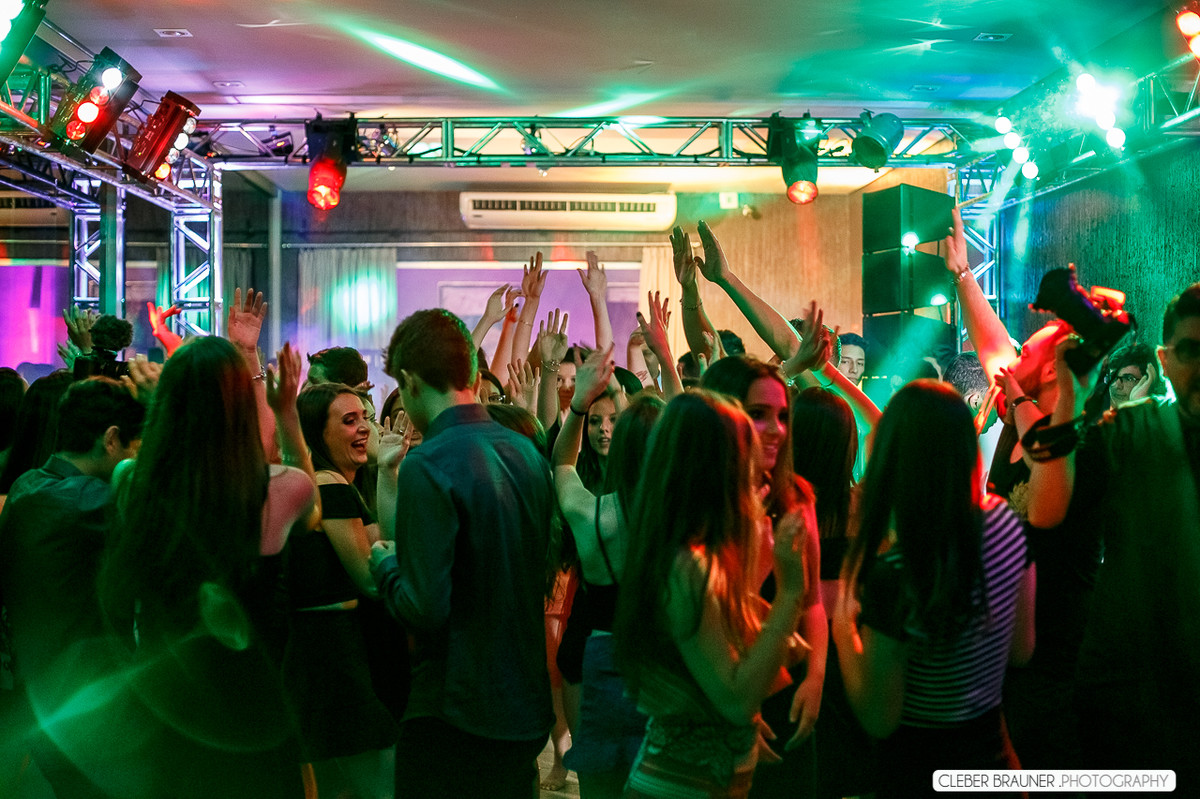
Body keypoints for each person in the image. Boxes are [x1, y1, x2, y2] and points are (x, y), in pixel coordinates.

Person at [99, 335, 317, 798]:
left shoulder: (130, 482)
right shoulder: (285, 491)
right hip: (253, 718)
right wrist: (286, 413)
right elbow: (312, 513)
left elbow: (174, 468)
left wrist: (167, 405)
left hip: (168, 712)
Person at [369, 308, 554, 799]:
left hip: (455, 710)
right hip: (524, 704)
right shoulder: (526, 453)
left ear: (408, 382)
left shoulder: (428, 462)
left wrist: (385, 566)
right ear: (473, 373)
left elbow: (424, 607)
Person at [1024, 283, 1200, 785]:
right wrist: (1070, 401)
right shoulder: (1129, 431)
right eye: (1192, 350)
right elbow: (1045, 509)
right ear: (1164, 359)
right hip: (1131, 699)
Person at [833, 380, 1035, 798]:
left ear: (893, 458)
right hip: (996, 761)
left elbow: (879, 718)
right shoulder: (1006, 523)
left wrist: (841, 623)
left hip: (919, 772)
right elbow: (1021, 650)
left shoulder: (897, 572)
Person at [615, 391, 815, 798]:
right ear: (716, 468)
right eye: (747, 458)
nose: (760, 474)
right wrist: (791, 590)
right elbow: (736, 699)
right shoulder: (687, 566)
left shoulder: (696, 553)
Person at [0, 376, 146, 798]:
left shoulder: (30, 483)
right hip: (85, 704)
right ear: (112, 439)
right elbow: (168, 492)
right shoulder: (82, 501)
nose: (136, 455)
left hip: (45, 695)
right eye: (135, 444)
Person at [701, 357, 826, 799]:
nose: (776, 429)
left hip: (784, 698)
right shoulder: (701, 512)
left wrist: (815, 678)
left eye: (783, 416)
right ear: (725, 413)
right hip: (718, 698)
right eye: (758, 414)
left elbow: (811, 602)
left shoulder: (796, 499)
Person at [553, 344, 665, 798]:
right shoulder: (685, 520)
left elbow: (561, 463)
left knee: (599, 785)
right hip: (660, 657)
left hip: (600, 654)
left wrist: (579, 405)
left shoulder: (591, 514)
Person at [288, 381, 401, 798]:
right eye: (349, 421)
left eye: (365, 419)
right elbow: (373, 578)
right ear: (318, 432)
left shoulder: (341, 482)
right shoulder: (327, 483)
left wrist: (388, 471)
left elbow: (385, 543)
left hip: (334, 657)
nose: (364, 430)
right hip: (332, 661)